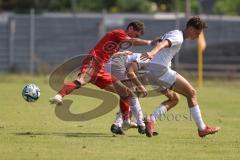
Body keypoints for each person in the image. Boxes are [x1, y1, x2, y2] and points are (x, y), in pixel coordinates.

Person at [49, 21, 152, 126]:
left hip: (101, 69)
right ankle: (59, 96)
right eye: (136, 34)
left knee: (124, 91)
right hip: (93, 61)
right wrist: (150, 42)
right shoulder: (119, 33)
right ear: (130, 28)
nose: (135, 37)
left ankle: (126, 121)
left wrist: (121, 53)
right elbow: (133, 41)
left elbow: (108, 53)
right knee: (82, 81)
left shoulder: (118, 43)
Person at [133, 16, 220, 137]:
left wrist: (155, 47)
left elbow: (161, 41)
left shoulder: (174, 33)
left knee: (174, 99)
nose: (198, 36)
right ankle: (202, 128)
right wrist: (152, 52)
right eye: (197, 32)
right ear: (190, 28)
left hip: (151, 72)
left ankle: (151, 119)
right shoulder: (178, 37)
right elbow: (163, 43)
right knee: (192, 93)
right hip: (160, 71)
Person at [105, 52, 148, 135]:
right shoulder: (146, 59)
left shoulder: (146, 66)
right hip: (115, 66)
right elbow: (130, 72)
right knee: (131, 96)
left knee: (126, 97)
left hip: (106, 68)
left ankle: (117, 125)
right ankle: (141, 124)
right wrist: (141, 87)